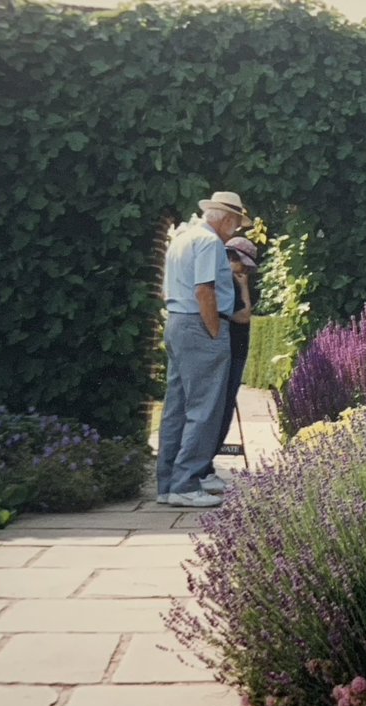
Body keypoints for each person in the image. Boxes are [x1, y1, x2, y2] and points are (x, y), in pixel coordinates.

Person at [155, 191, 250, 508]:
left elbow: (169, 289)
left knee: (177, 408)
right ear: (227, 219)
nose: (235, 230)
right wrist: (214, 330)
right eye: (236, 224)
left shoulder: (182, 238)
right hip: (200, 325)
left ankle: (167, 485)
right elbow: (204, 290)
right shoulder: (210, 243)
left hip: (178, 323)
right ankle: (186, 483)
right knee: (204, 409)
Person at [200, 236, 257, 484]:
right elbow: (243, 316)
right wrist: (244, 290)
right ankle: (203, 466)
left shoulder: (238, 282)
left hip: (237, 351)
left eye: (239, 261)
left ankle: (205, 464)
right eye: (233, 259)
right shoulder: (229, 284)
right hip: (227, 350)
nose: (237, 265)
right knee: (219, 409)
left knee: (224, 407)